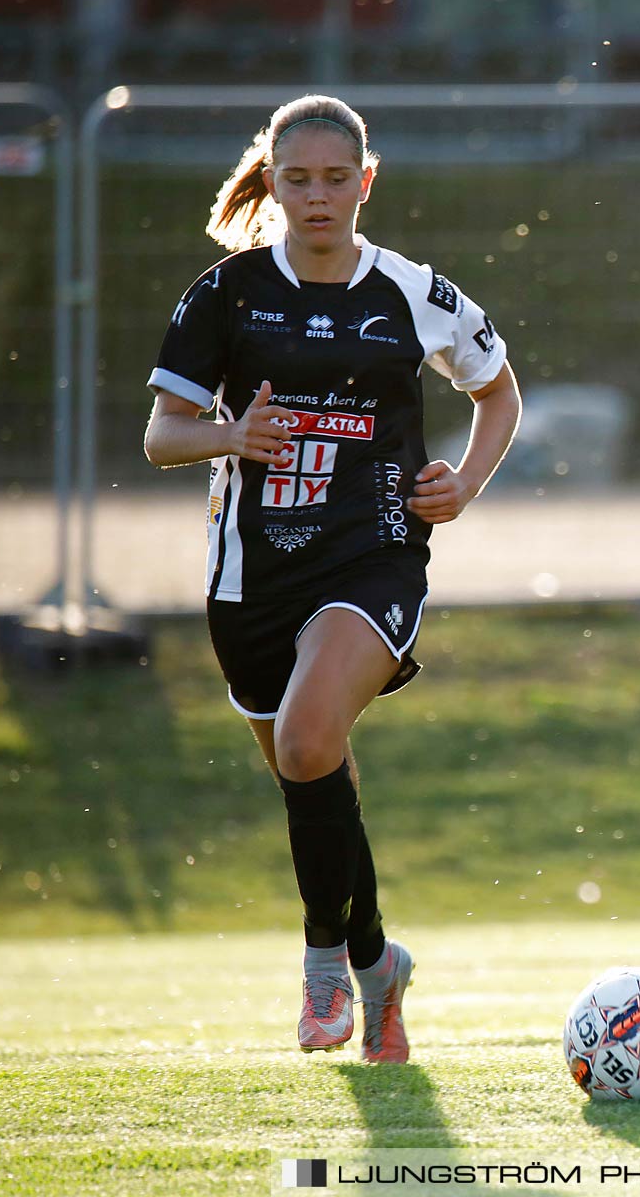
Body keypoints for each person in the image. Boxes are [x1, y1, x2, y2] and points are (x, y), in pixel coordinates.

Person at [141, 95, 521, 1063]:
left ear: (368, 179)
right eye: (297, 179)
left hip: (374, 553)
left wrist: (466, 483)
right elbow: (160, 435)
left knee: (311, 739)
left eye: (335, 178)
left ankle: (320, 969)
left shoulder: (412, 292)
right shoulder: (224, 294)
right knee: (311, 771)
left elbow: (496, 389)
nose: (317, 198)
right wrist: (231, 435)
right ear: (271, 181)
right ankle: (377, 962)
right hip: (253, 576)